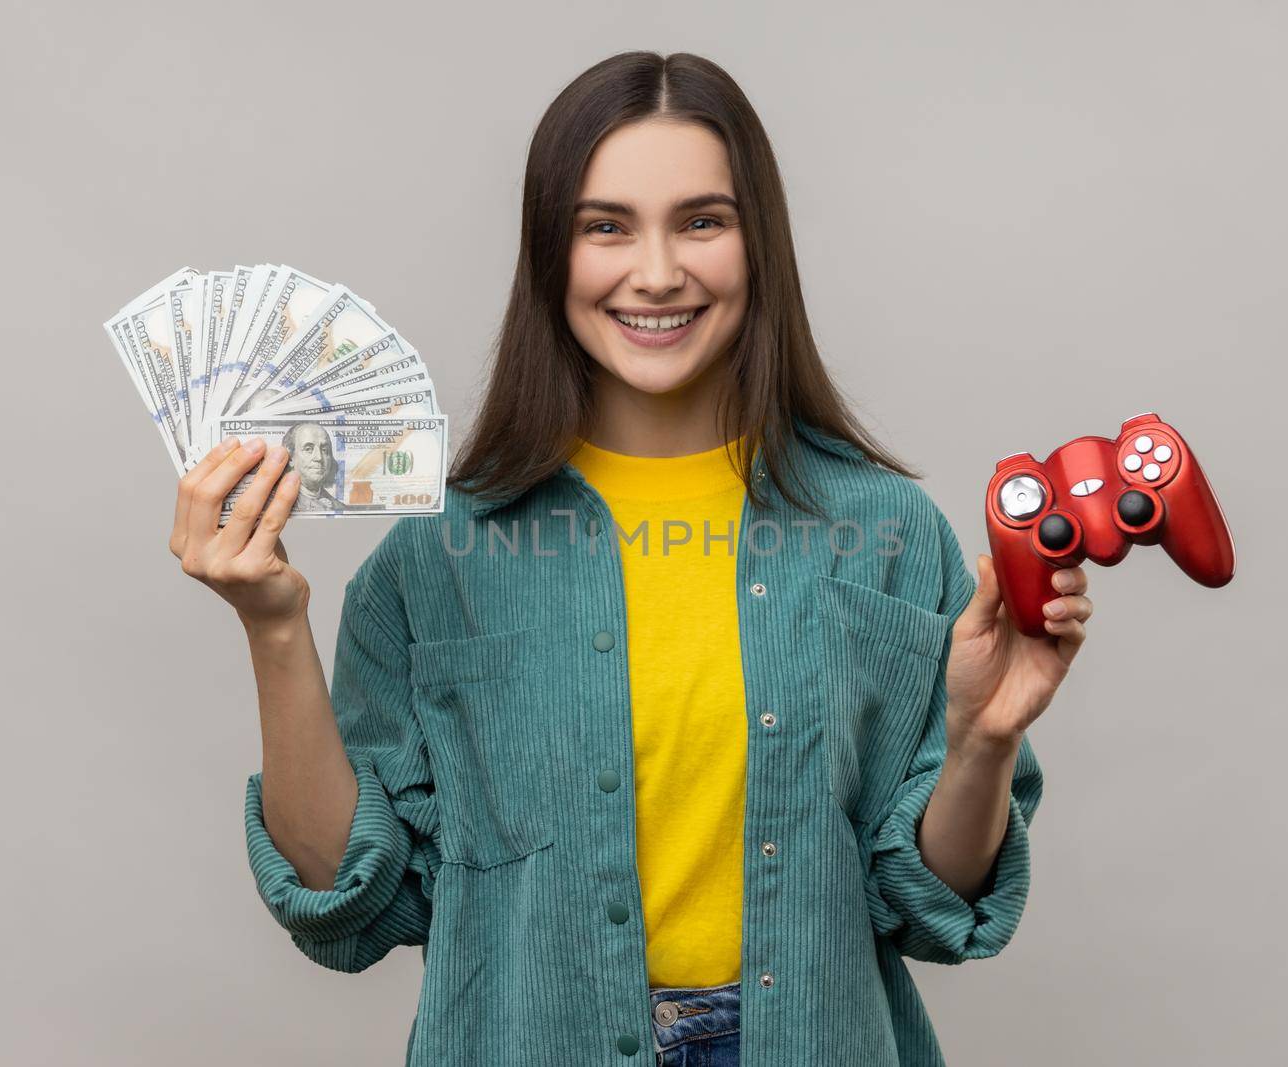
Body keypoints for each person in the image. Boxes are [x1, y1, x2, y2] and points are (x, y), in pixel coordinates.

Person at [167, 51, 1094, 1067]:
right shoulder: (437, 553)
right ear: (549, 255)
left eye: (703, 220)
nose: (656, 272)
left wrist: (982, 738)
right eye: (604, 226)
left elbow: (935, 908)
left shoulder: (887, 533)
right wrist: (273, 624)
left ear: (760, 244)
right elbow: (347, 901)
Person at [280, 421, 344, 511]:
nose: (319, 457)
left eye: (324, 450)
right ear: (290, 457)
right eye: (308, 449)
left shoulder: (339, 508)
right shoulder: (273, 503)